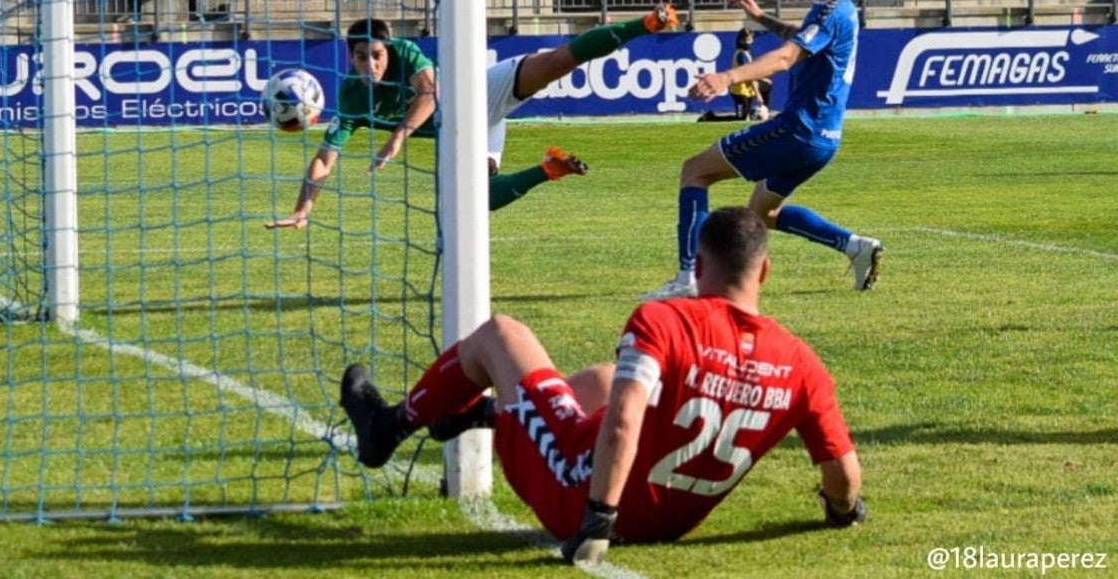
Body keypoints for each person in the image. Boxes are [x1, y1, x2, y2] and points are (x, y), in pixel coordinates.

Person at [340, 207, 866, 564]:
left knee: (501, 335)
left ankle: (387, 428)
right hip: (671, 518)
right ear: (765, 272)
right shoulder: (801, 363)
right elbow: (842, 474)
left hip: (587, 496)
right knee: (603, 380)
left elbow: (625, 420)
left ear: (699, 265)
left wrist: (597, 520)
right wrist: (844, 512)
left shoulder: (665, 320)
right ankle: (487, 415)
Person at [265, 4, 679, 230]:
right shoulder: (352, 97)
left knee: (557, 61)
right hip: (465, 133)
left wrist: (396, 139)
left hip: (475, 94)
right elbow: (324, 158)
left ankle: (644, 23)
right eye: (361, 57)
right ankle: (550, 169)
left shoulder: (407, 54)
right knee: (478, 201)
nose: (371, 63)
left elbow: (429, 92)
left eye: (377, 55)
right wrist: (305, 209)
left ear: (387, 52)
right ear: (349, 57)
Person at [643, 0, 884, 301]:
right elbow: (799, 37)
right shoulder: (835, 13)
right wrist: (761, 17)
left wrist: (726, 77)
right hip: (823, 139)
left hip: (798, 130)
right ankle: (855, 247)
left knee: (695, 171)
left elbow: (787, 57)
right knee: (764, 214)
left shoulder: (834, 12)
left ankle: (689, 276)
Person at [729, 28, 771, 121]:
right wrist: (758, 94)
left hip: (747, 88)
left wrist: (763, 79)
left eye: (751, 39)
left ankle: (764, 111)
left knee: (767, 85)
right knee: (741, 118)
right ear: (741, 40)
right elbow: (749, 76)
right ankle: (711, 117)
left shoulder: (746, 53)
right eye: (748, 40)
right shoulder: (741, 55)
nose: (750, 42)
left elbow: (752, 73)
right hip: (740, 91)